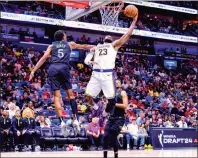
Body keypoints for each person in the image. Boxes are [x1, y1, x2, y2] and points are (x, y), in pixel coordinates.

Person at [29, 30, 94, 126]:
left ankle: (61, 121)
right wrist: (95, 47)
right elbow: (84, 46)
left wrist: (33, 71)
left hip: (53, 68)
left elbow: (43, 58)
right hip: (64, 67)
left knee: (56, 97)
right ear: (63, 37)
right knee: (71, 96)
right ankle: (76, 119)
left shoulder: (51, 46)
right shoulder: (69, 44)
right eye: (65, 35)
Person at [84, 11, 138, 117]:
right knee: (87, 98)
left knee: (112, 100)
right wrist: (88, 60)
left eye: (110, 36)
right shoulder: (97, 46)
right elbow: (88, 54)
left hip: (107, 75)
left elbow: (127, 35)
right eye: (106, 36)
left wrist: (134, 21)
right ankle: (96, 108)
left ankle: (104, 115)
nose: (108, 36)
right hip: (95, 74)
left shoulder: (113, 45)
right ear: (104, 40)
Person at [103, 80, 128, 158]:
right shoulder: (111, 94)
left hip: (120, 118)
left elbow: (125, 105)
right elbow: (108, 107)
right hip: (111, 118)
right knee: (105, 136)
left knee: (112, 135)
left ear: (120, 84)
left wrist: (114, 104)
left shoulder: (122, 92)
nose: (116, 83)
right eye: (115, 82)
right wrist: (105, 110)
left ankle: (116, 155)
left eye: (118, 82)